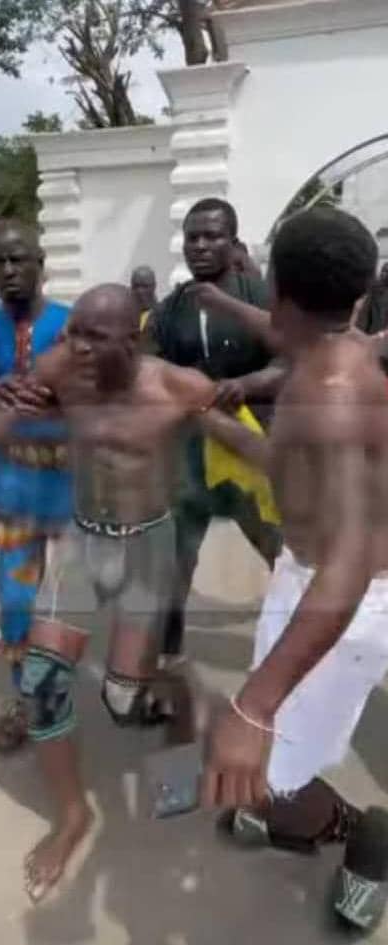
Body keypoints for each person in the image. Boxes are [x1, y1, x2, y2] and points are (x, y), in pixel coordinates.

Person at [0, 283, 216, 902]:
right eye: (73, 333)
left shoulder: (178, 386)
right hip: (85, 539)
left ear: (133, 340)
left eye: (94, 336)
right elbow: (5, 416)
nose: (77, 347)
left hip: (148, 545)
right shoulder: (62, 366)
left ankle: (181, 716)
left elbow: (237, 430)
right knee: (39, 680)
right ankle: (72, 816)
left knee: (127, 697)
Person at [200, 209, 388, 901]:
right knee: (271, 761)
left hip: (345, 600)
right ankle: (293, 804)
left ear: (276, 288)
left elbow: (349, 562)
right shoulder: (340, 349)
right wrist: (203, 413)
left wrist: (255, 704)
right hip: (310, 581)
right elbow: (286, 462)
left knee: (270, 768)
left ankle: (363, 838)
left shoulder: (329, 399)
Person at [148, 196, 283, 659]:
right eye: (192, 237)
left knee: (280, 552)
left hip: (252, 450)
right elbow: (149, 365)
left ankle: (304, 649)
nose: (200, 246)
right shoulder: (171, 308)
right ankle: (165, 655)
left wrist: (246, 385)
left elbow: (291, 360)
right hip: (189, 456)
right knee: (173, 561)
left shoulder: (258, 298)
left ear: (233, 241)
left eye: (212, 236)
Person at [0, 220, 72, 743]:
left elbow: (110, 395)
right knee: (17, 599)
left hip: (72, 491)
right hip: (12, 492)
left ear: (40, 264)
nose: (7, 270)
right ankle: (28, 698)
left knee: (74, 599)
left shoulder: (73, 325)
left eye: (18, 259)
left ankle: (108, 680)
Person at [130, 265, 157, 331]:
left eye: (145, 286)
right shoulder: (125, 315)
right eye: (136, 286)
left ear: (154, 286)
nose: (140, 291)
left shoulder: (163, 316)